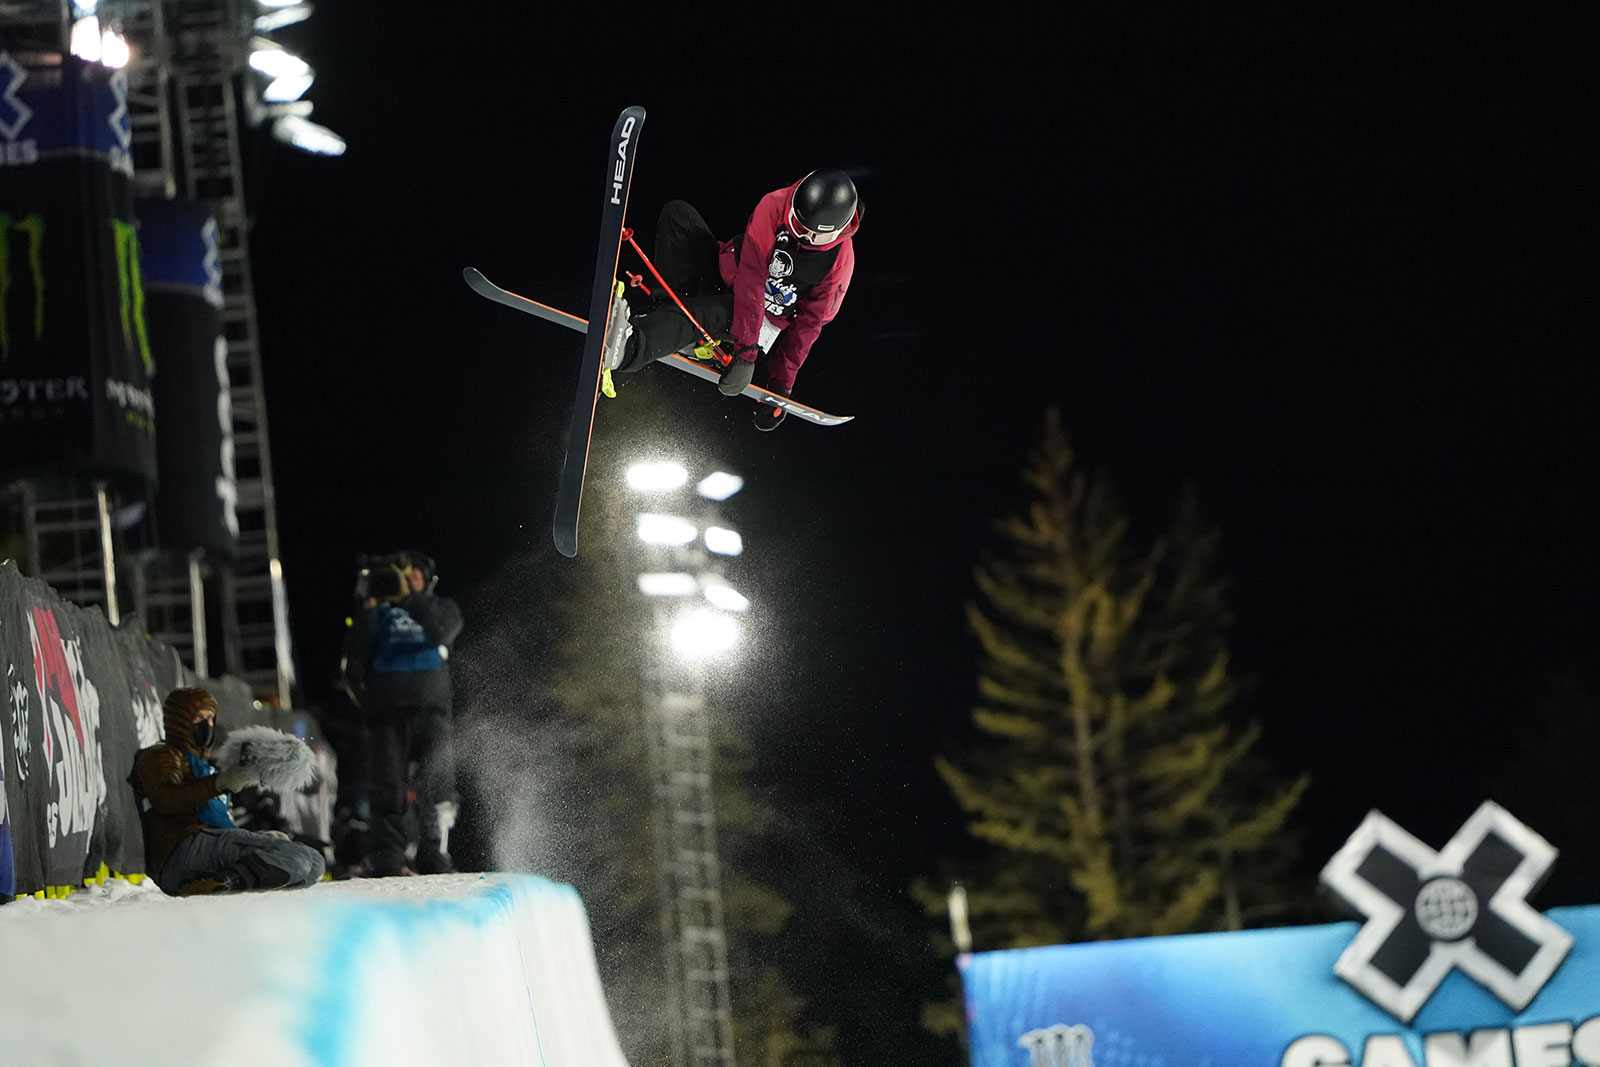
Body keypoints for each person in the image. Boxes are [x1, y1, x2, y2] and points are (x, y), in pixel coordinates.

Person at [604, 168, 862, 431]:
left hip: (760, 317)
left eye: (814, 237)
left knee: (707, 313)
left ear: (838, 232)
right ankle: (673, 326)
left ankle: (629, 348)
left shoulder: (839, 263)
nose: (802, 238)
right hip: (731, 275)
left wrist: (780, 385)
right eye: (798, 226)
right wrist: (745, 353)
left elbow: (809, 326)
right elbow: (751, 277)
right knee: (678, 215)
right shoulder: (774, 205)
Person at [130, 687, 325, 896]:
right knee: (298, 857)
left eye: (211, 719)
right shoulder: (162, 755)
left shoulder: (207, 768)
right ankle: (230, 880)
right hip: (181, 849)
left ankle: (221, 881)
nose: (208, 725)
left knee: (314, 864)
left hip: (207, 846)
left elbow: (221, 824)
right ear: (180, 720)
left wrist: (258, 839)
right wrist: (219, 783)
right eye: (199, 718)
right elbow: (165, 799)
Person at [341, 550, 463, 876]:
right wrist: (370, 603)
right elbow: (354, 655)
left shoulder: (440, 608)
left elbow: (443, 630)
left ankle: (434, 855)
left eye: (412, 575)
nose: (405, 580)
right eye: (398, 575)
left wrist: (408, 598)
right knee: (387, 787)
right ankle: (389, 859)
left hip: (432, 709)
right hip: (387, 712)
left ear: (425, 580)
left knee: (436, 784)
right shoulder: (377, 613)